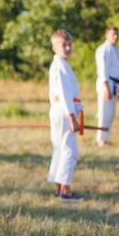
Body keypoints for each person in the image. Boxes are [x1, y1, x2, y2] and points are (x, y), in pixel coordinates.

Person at [47, 29, 83, 202]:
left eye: (69, 44)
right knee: (70, 151)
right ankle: (65, 192)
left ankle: (59, 187)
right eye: (63, 45)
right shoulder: (60, 66)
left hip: (60, 112)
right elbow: (64, 95)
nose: (67, 48)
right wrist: (72, 117)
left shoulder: (62, 65)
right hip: (64, 113)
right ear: (54, 47)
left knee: (61, 149)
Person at [95, 26, 119, 147]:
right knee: (103, 113)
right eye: (113, 35)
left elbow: (117, 71)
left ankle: (105, 137)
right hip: (106, 84)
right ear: (106, 35)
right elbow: (102, 70)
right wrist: (106, 87)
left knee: (111, 114)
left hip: (115, 84)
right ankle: (100, 139)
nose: (115, 37)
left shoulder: (116, 50)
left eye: (117, 34)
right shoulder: (103, 49)